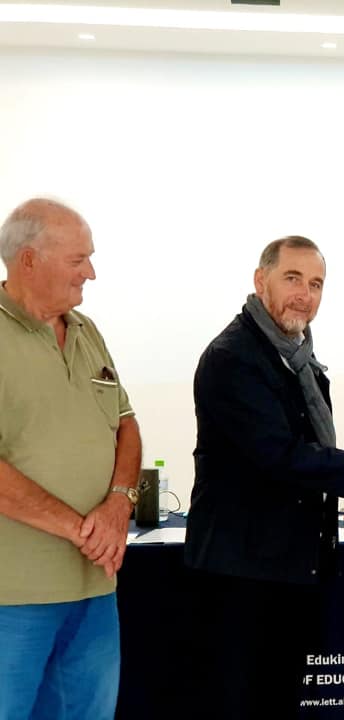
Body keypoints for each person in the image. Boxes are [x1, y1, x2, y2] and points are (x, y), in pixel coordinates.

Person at [184, 235, 344, 719]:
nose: (305, 294)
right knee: (241, 703)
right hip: (242, 573)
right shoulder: (233, 357)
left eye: (316, 283)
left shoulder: (301, 360)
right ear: (261, 281)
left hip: (291, 567)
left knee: (279, 702)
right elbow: (281, 455)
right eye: (293, 278)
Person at [0, 198, 143, 720]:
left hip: (94, 588)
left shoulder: (86, 330)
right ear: (29, 260)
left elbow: (125, 424)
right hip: (13, 595)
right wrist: (82, 529)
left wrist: (119, 504)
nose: (91, 273)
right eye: (78, 260)